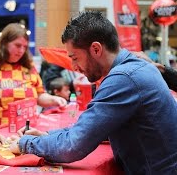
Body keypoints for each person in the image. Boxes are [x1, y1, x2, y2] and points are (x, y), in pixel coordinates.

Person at [9, 11, 177, 174]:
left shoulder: (123, 78)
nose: (74, 67)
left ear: (96, 49)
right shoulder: (137, 67)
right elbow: (93, 129)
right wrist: (46, 136)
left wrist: (26, 143)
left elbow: (73, 146)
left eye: (74, 58)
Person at [0, 23, 67, 125]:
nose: (21, 51)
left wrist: (54, 99)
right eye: (17, 45)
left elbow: (39, 95)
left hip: (28, 131)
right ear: (4, 43)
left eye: (25, 47)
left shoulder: (29, 67)